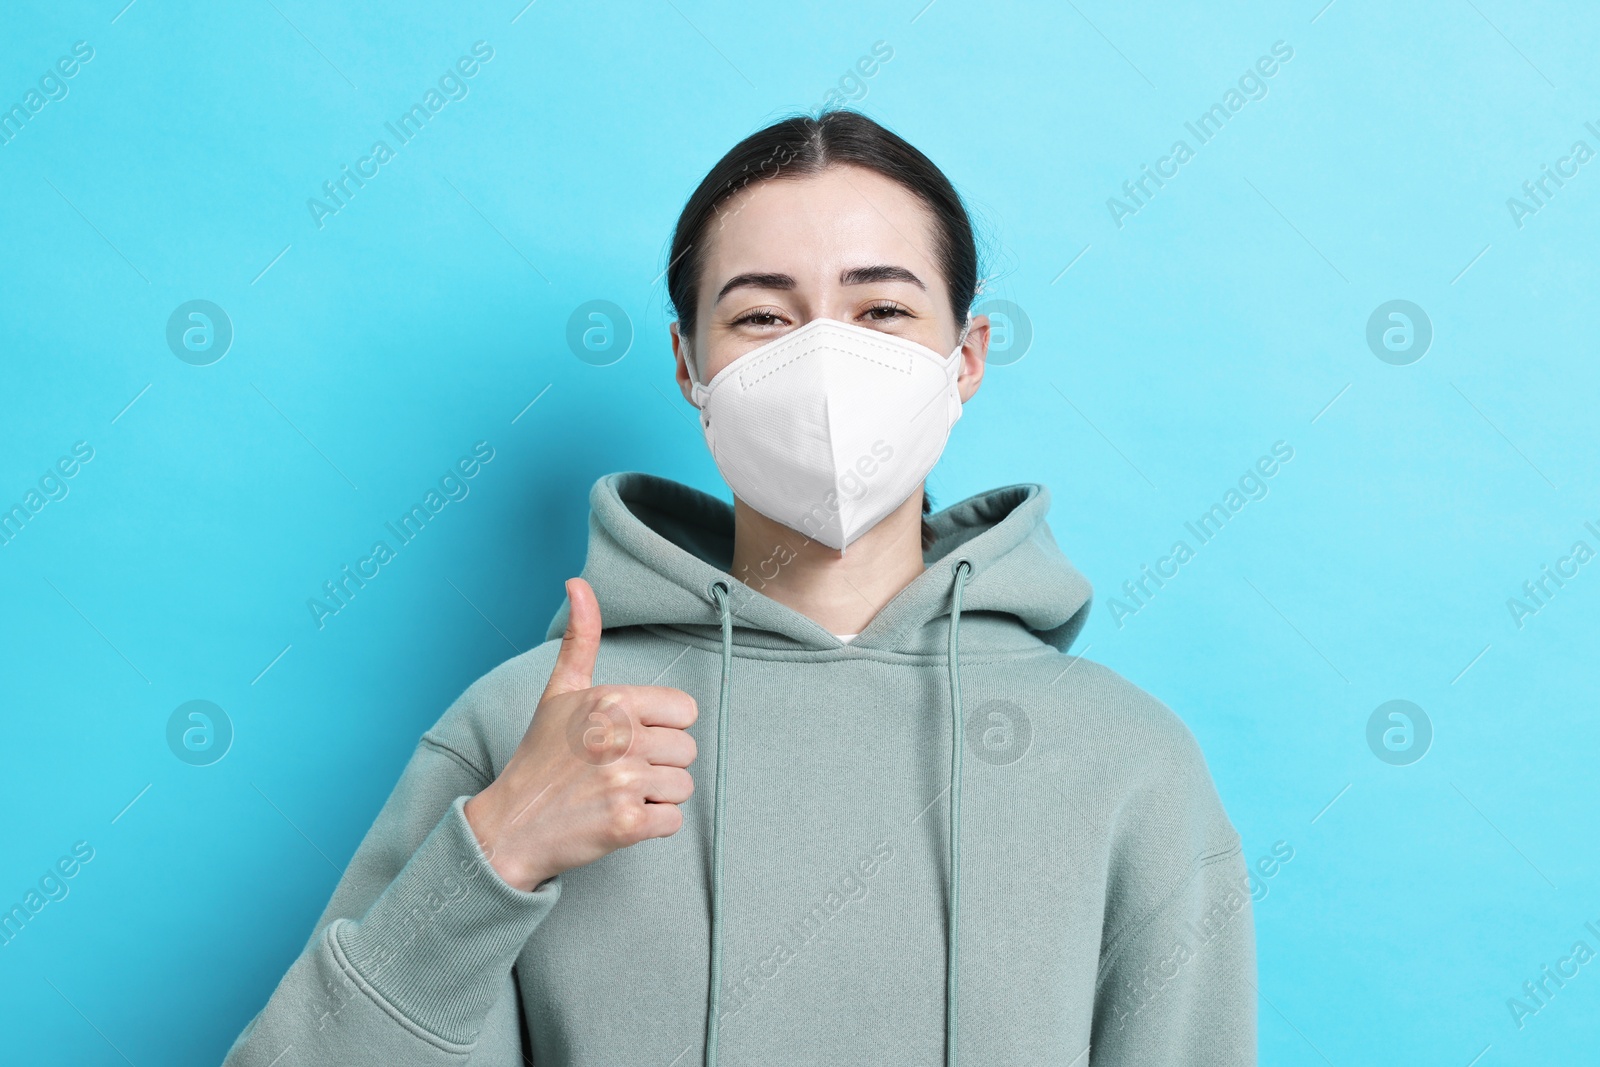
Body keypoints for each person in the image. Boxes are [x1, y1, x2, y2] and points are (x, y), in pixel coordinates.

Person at [221, 109, 1255, 1066]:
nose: (825, 358)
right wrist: (497, 849)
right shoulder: (536, 728)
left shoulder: (1126, 759)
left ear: (966, 356)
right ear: (688, 362)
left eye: (881, 307)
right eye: (764, 316)